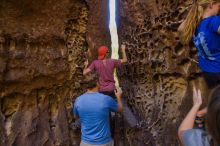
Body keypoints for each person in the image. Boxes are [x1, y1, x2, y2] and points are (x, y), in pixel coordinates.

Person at [83, 45, 138, 128]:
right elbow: (125, 60)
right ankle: (135, 124)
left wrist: (86, 65)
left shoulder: (95, 63)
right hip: (111, 90)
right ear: (106, 54)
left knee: (98, 108)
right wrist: (123, 49)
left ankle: (78, 124)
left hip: (101, 91)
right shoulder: (112, 61)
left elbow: (84, 73)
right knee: (122, 105)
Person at [178, 0, 220, 89]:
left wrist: (193, 12)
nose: (219, 10)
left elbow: (180, 29)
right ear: (211, 5)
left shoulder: (195, 25)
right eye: (219, 6)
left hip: (208, 73)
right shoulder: (214, 21)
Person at [73, 73, 123, 146]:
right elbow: (120, 109)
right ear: (97, 83)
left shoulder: (78, 100)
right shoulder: (106, 99)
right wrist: (118, 97)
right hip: (104, 142)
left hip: (85, 142)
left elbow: (76, 116)